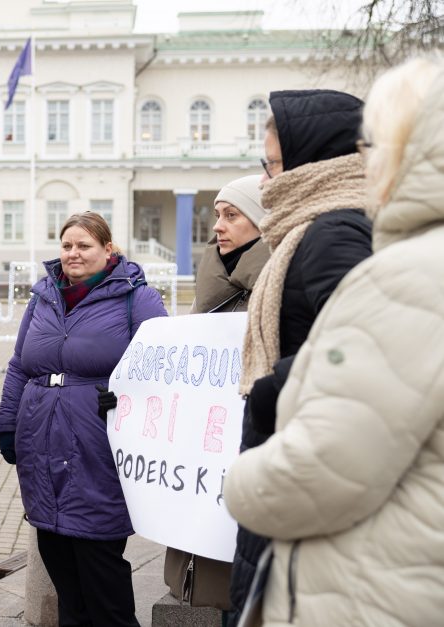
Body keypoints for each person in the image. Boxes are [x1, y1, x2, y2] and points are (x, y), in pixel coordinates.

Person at [224, 55, 444, 627]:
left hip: (365, 580)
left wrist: (263, 417)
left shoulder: (339, 237)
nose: (266, 180)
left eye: (372, 143)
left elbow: (333, 455)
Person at [227, 89, 374, 624]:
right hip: (297, 458)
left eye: (272, 164)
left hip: (302, 459)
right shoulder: (320, 225)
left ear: (313, 160)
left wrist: (270, 390)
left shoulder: (333, 232)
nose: (266, 181)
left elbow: (363, 347)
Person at [0, 212, 167, 627]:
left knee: (101, 577)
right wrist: (7, 423)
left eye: (84, 245)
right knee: (64, 579)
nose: (74, 253)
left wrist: (127, 399)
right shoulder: (43, 297)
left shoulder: (136, 298)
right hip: (41, 446)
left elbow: (162, 366)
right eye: (67, 245)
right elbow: (20, 365)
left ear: (108, 250)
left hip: (98, 446)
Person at [163, 174, 270, 618]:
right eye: (216, 216)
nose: (217, 227)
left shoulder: (274, 288)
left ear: (263, 223)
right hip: (202, 452)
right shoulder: (212, 292)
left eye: (231, 215)